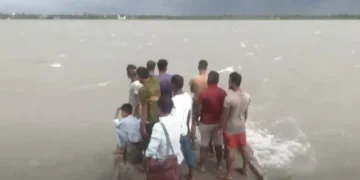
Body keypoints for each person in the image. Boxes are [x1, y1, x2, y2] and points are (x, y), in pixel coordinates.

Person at [218, 72, 251, 180]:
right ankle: (245, 169)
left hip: (231, 127)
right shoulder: (247, 96)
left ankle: (229, 175)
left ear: (233, 82)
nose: (228, 82)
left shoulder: (229, 98)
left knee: (230, 150)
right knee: (243, 148)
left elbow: (225, 116)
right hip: (241, 126)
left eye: (229, 80)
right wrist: (242, 123)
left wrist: (221, 128)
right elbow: (245, 113)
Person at [145, 96, 183, 179]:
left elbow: (151, 150)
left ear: (159, 109)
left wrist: (146, 155)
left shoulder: (158, 126)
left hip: (163, 165)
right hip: (176, 161)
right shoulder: (177, 121)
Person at [196, 71, 227, 171]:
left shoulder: (203, 93)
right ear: (217, 81)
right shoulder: (223, 93)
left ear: (208, 80)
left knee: (204, 144)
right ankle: (219, 163)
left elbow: (199, 109)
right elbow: (225, 109)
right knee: (218, 144)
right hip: (218, 122)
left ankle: (202, 165)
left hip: (205, 122)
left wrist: (196, 119)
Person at [171, 74, 195, 179]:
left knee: (176, 153)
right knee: (188, 151)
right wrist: (188, 127)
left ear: (174, 85)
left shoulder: (174, 100)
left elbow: (172, 116)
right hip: (184, 129)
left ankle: (178, 175)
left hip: (175, 131)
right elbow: (189, 113)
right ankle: (191, 174)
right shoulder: (188, 97)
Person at [136, 66, 161, 150]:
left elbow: (144, 109)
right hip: (160, 115)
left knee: (148, 143)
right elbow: (151, 74)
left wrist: (142, 126)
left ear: (139, 76)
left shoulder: (143, 90)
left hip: (150, 119)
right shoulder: (155, 81)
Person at [189, 60, 209, 149]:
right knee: (207, 123)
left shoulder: (194, 79)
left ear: (198, 67)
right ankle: (208, 145)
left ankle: (192, 143)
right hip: (206, 103)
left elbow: (192, 90)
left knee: (193, 123)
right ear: (206, 68)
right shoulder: (208, 79)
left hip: (197, 101)